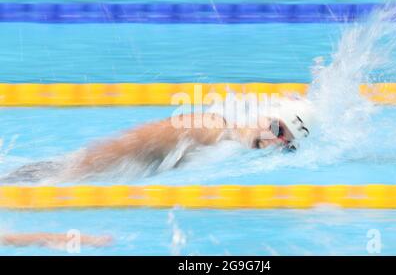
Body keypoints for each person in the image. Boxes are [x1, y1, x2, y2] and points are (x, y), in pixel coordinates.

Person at [1, 98, 316, 183]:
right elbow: (132, 142)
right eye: (277, 129)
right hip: (70, 172)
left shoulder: (233, 151)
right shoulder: (210, 127)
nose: (275, 142)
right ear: (265, 117)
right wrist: (69, 177)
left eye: (287, 144)